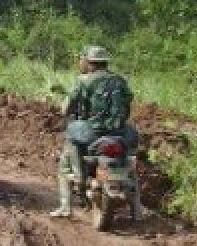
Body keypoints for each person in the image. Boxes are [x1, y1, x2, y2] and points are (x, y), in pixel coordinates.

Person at [51, 45, 136, 219]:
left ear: (90, 63)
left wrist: (66, 110)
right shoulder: (120, 80)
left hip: (93, 132)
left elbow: (67, 108)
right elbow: (128, 102)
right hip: (120, 132)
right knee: (130, 160)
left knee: (70, 139)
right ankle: (138, 208)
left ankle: (70, 197)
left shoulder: (83, 81)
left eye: (82, 60)